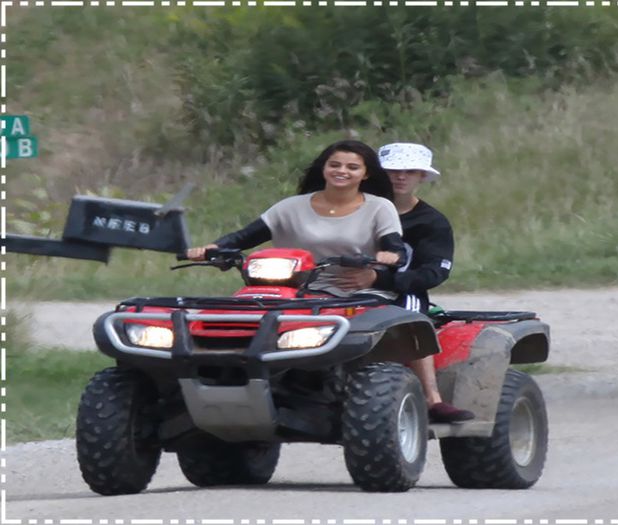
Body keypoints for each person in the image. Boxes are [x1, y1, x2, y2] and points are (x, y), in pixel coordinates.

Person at [338, 142, 474, 423]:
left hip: (400, 290)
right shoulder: (352, 208)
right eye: (393, 170)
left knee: (411, 312)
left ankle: (431, 398)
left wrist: (386, 279)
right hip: (341, 284)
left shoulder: (431, 222)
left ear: (422, 177)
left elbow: (435, 271)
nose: (400, 177)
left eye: (410, 171)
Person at [187, 140, 405, 299]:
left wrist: (389, 257)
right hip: (292, 289)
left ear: (366, 174)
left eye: (352, 167)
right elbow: (244, 237)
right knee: (242, 309)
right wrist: (211, 249)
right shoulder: (290, 206)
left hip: (356, 292)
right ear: (324, 168)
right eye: (335, 165)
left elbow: (396, 250)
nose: (341, 171)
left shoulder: (379, 207)